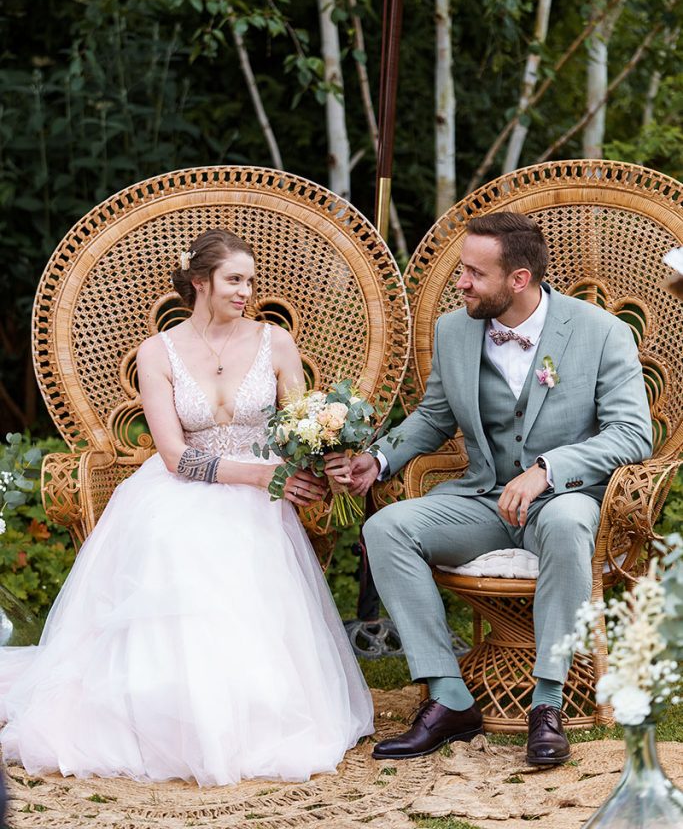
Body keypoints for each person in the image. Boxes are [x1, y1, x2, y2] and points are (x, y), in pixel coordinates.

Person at [0, 229, 373, 785]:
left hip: (262, 493)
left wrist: (326, 456)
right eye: (234, 280)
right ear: (200, 282)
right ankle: (162, 710)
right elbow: (174, 456)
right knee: (172, 540)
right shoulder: (158, 352)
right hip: (186, 483)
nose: (246, 291)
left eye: (250, 280)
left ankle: (248, 711)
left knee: (241, 542)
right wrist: (258, 475)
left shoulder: (276, 343)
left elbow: (302, 427)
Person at [350, 212, 652, 766]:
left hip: (563, 499)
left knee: (566, 524)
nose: (461, 283)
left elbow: (632, 434)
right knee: (386, 528)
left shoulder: (602, 332)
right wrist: (380, 458)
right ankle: (449, 697)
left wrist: (547, 469)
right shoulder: (453, 330)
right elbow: (434, 416)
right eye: (462, 270)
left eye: (474, 273)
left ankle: (547, 702)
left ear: (519, 279)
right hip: (483, 499)